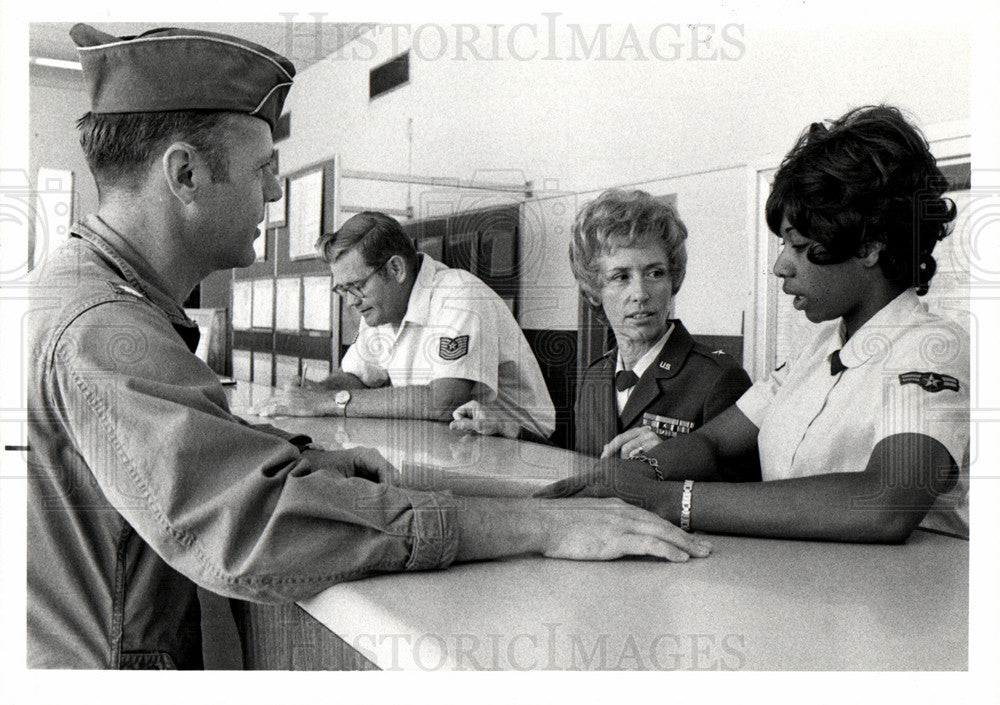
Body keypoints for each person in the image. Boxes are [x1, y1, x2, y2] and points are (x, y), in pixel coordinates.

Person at [26, 24, 710, 670]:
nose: (272, 190)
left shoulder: (100, 300)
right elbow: (258, 526)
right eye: (264, 168)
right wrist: (536, 526)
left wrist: (313, 457)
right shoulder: (100, 327)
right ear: (185, 176)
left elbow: (199, 455)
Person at [537, 105, 968, 543]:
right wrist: (633, 473)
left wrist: (667, 499)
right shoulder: (820, 349)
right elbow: (713, 442)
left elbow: (884, 502)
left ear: (870, 247)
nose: (780, 266)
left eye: (798, 246)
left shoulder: (933, 346)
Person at [452, 189, 754, 472]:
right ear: (594, 290)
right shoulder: (595, 375)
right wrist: (512, 430)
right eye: (620, 277)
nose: (640, 293)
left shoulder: (717, 377)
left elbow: (745, 494)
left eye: (655, 273)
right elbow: (582, 465)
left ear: (673, 280)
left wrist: (675, 460)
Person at [250, 211, 556, 439]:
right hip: (454, 442)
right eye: (342, 290)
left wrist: (327, 401)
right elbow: (356, 377)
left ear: (395, 268)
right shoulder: (382, 307)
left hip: (524, 447)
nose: (351, 301)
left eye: (356, 286)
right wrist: (309, 394)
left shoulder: (459, 294)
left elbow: (445, 401)